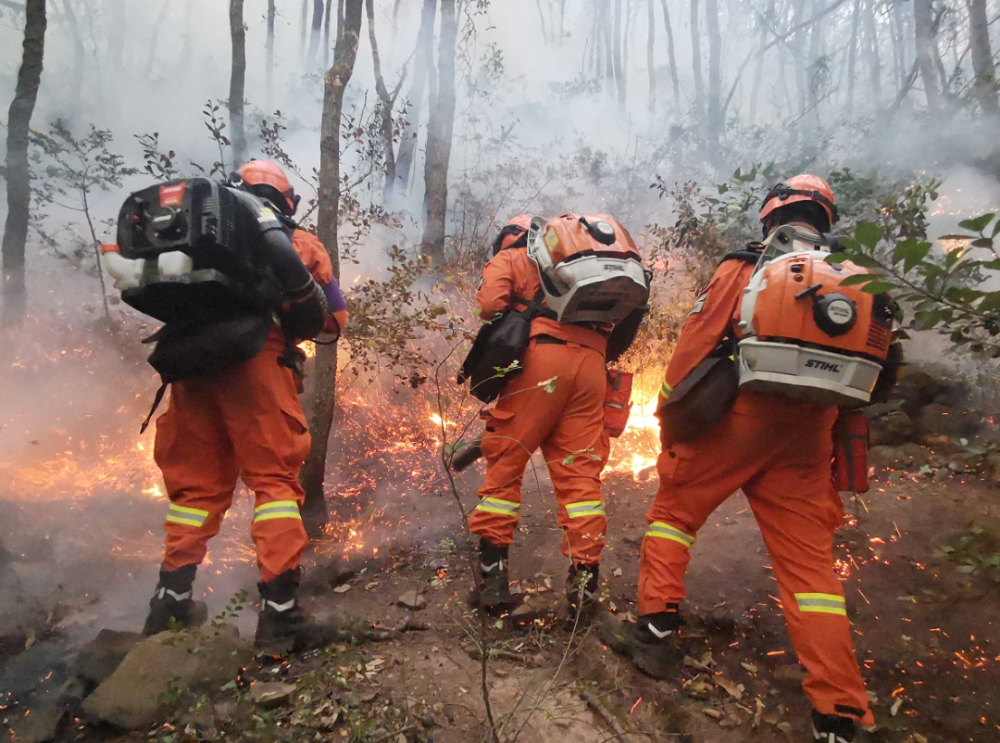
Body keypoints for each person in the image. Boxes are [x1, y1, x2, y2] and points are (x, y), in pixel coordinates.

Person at [600, 175, 897, 743]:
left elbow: (696, 341)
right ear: (826, 218)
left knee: (674, 515)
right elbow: (878, 375)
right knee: (810, 570)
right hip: (810, 432)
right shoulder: (858, 279)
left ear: (770, 217)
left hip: (737, 416)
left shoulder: (748, 265)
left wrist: (669, 414)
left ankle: (654, 635)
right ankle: (840, 711)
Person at [142, 161, 348, 649]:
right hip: (258, 362)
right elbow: (334, 321)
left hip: (192, 365)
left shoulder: (193, 236)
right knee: (274, 484)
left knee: (194, 491)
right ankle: (280, 617)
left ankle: (169, 606)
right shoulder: (299, 243)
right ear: (287, 202)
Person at [468, 214, 645, 617]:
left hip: (541, 360)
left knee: (506, 462)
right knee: (580, 477)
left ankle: (493, 584)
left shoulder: (513, 256)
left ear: (510, 237)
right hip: (592, 368)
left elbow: (489, 306)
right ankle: (584, 590)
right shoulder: (579, 258)